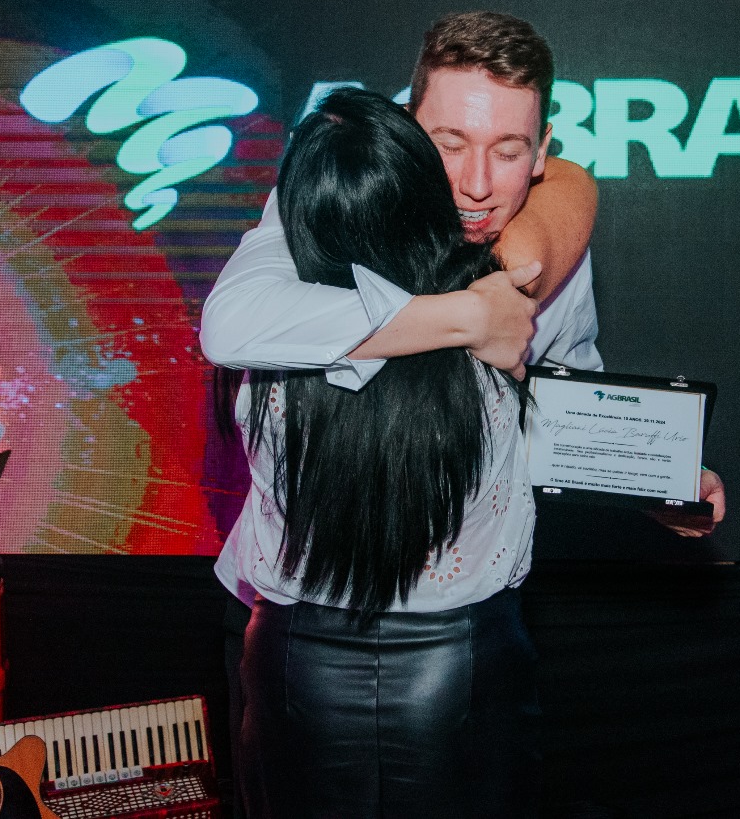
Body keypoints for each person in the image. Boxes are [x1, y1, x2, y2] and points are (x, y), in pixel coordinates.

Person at [203, 12, 726, 814]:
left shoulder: (546, 250)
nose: (477, 183)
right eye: (450, 142)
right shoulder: (328, 206)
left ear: (542, 154)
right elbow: (230, 325)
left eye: (508, 151)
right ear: (408, 129)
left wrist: (650, 477)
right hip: (289, 630)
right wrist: (471, 317)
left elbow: (549, 401)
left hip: (466, 642)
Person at [216, 87, 545, 817]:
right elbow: (541, 455)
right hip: (460, 659)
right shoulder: (492, 333)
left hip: (296, 659)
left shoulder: (266, 357)